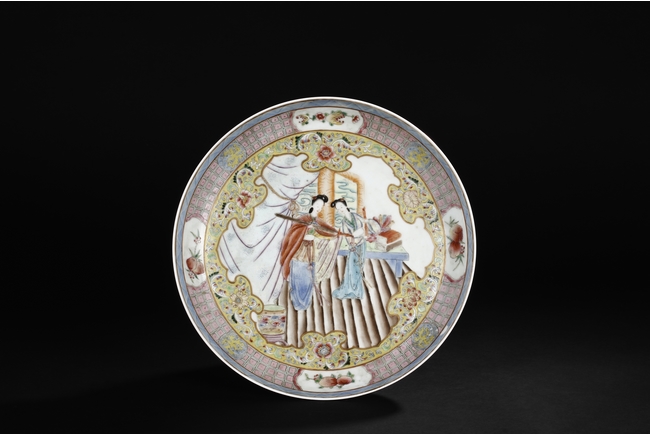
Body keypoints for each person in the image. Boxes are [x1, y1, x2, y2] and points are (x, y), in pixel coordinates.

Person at [279, 194, 341, 310]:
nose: (318, 208)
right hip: (299, 253)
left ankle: (306, 303)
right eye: (317, 205)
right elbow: (293, 234)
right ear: (313, 205)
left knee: (308, 280)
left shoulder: (318, 221)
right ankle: (297, 303)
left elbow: (328, 232)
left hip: (311, 253)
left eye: (321, 206)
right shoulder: (302, 219)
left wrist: (333, 232)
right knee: (299, 279)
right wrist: (303, 235)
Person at [331, 198, 367, 300]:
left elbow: (363, 228)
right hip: (352, 247)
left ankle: (357, 291)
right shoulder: (343, 222)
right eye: (338, 209)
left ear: (345, 205)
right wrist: (352, 242)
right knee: (351, 268)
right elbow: (347, 236)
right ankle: (350, 289)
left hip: (361, 244)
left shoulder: (356, 216)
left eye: (341, 207)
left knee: (359, 267)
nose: (340, 209)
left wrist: (357, 237)